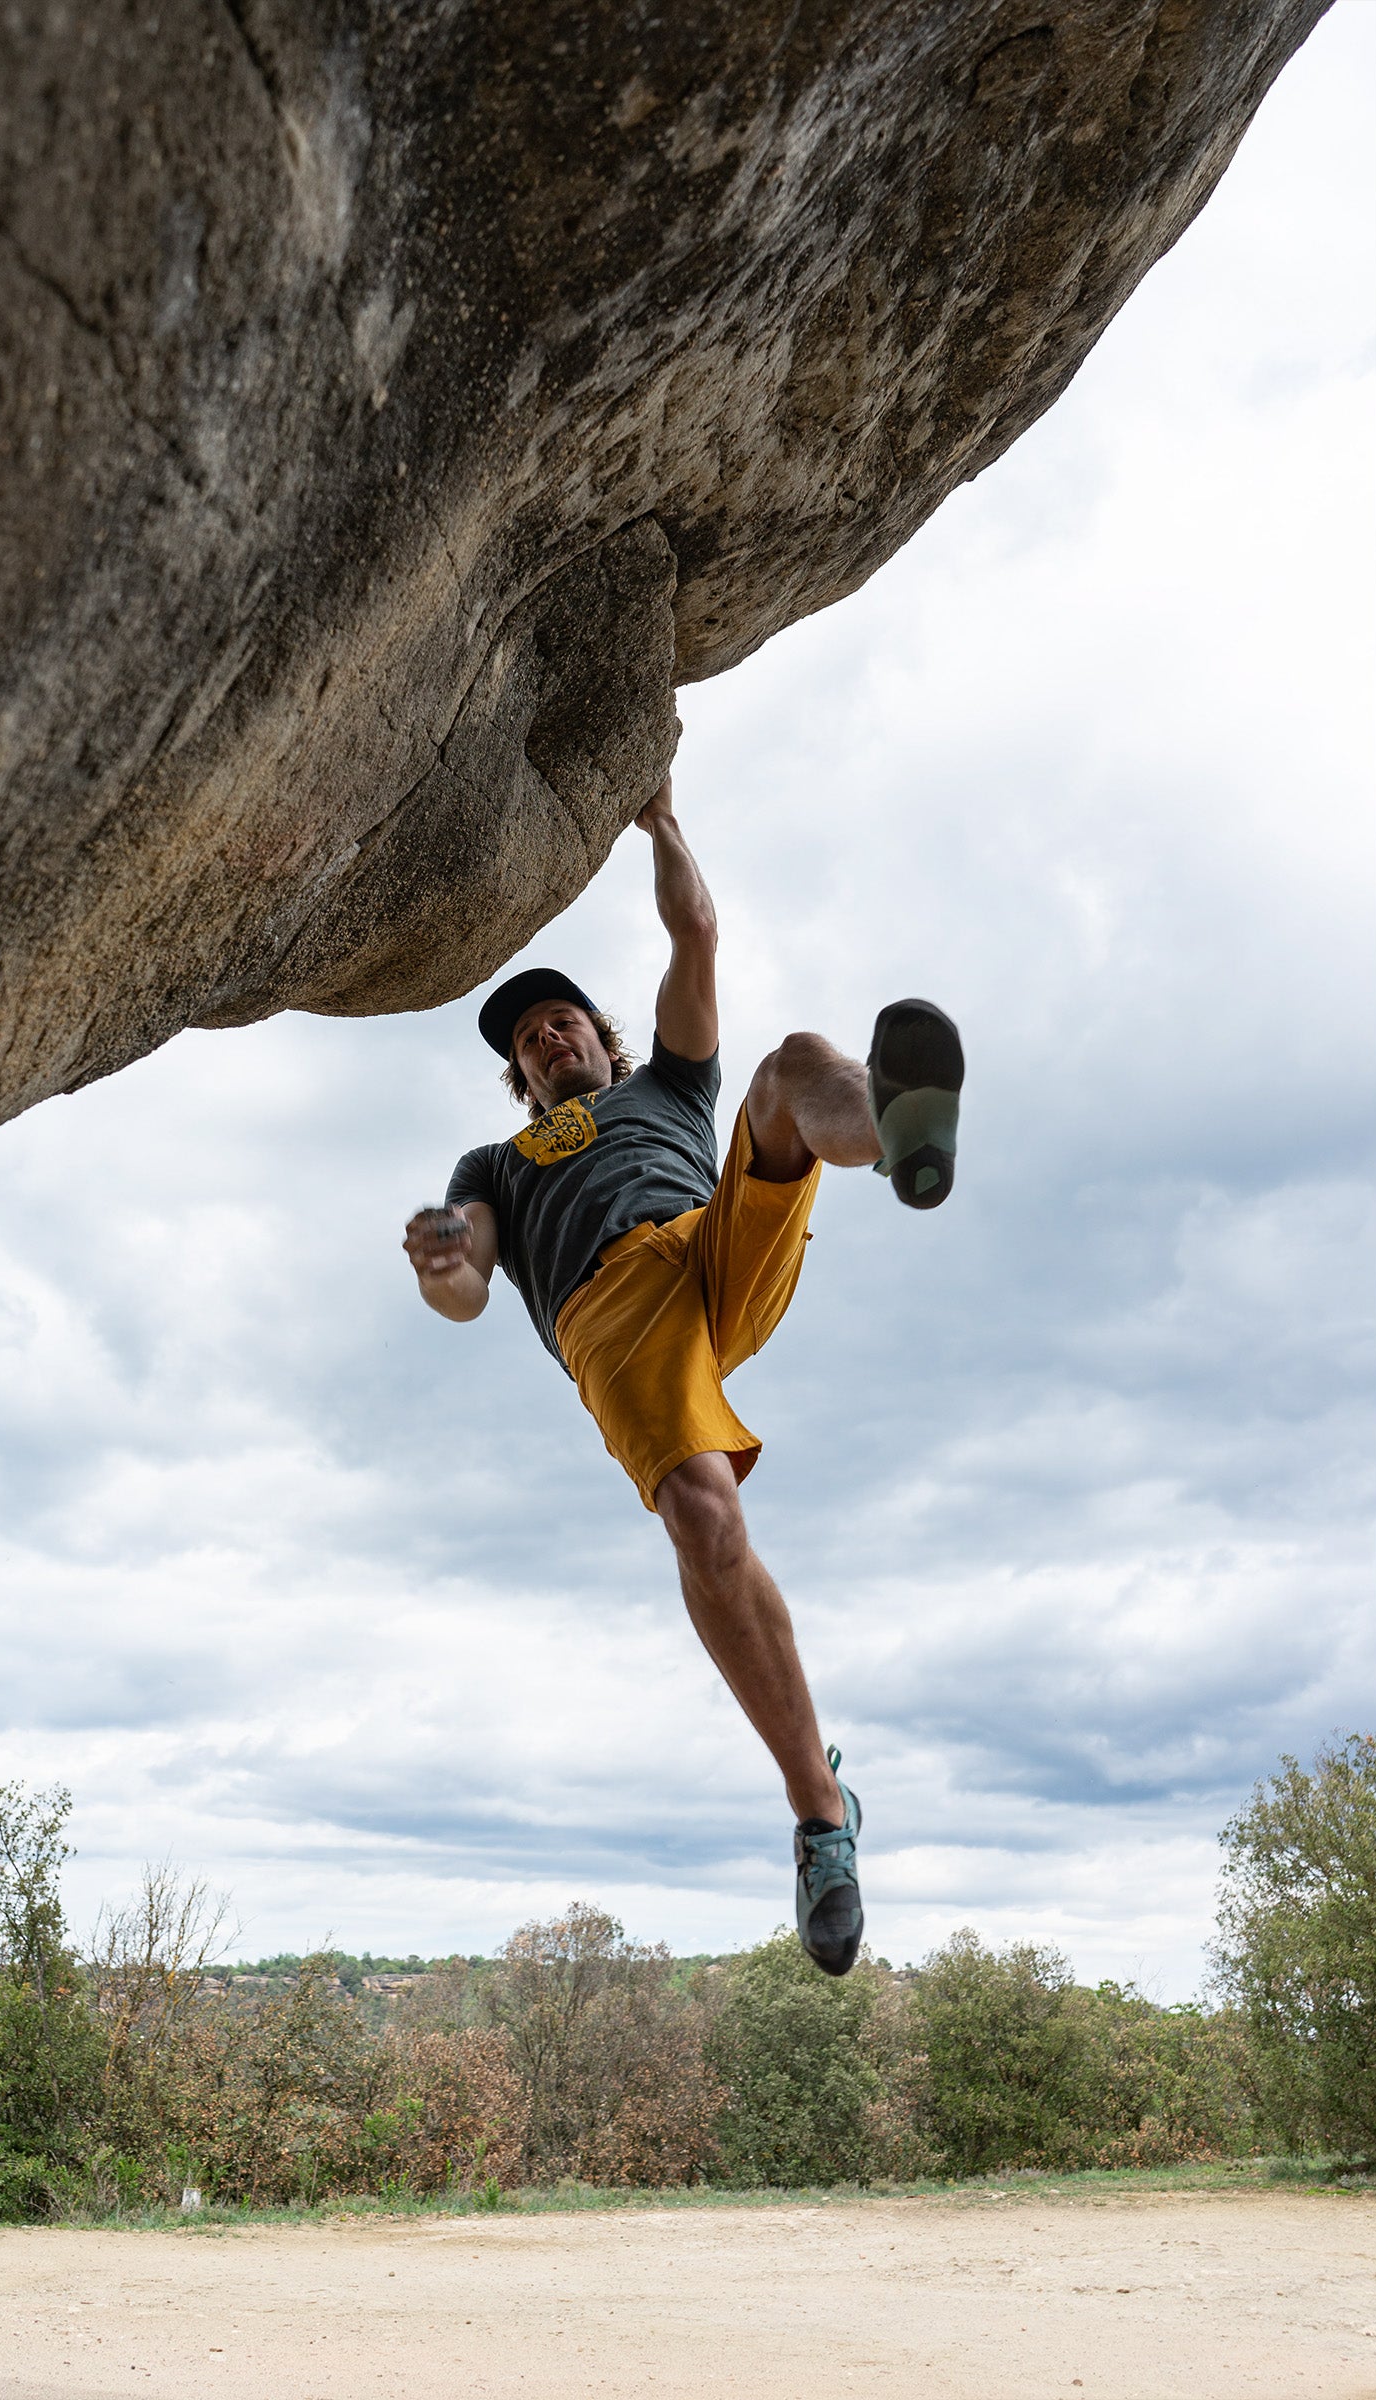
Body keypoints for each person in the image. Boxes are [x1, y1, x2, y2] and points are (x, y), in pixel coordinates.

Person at [402, 779, 964, 1974]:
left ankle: (907, 1137)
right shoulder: (493, 1161)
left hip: (708, 1245)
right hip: (611, 1313)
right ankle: (822, 1815)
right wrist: (441, 1265)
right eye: (527, 1041)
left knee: (795, 1062)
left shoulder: (667, 1087)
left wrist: (659, 824)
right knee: (706, 1516)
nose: (548, 1039)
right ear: (521, 1078)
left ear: (601, 1037)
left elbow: (695, 934)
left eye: (563, 1023)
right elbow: (465, 1287)